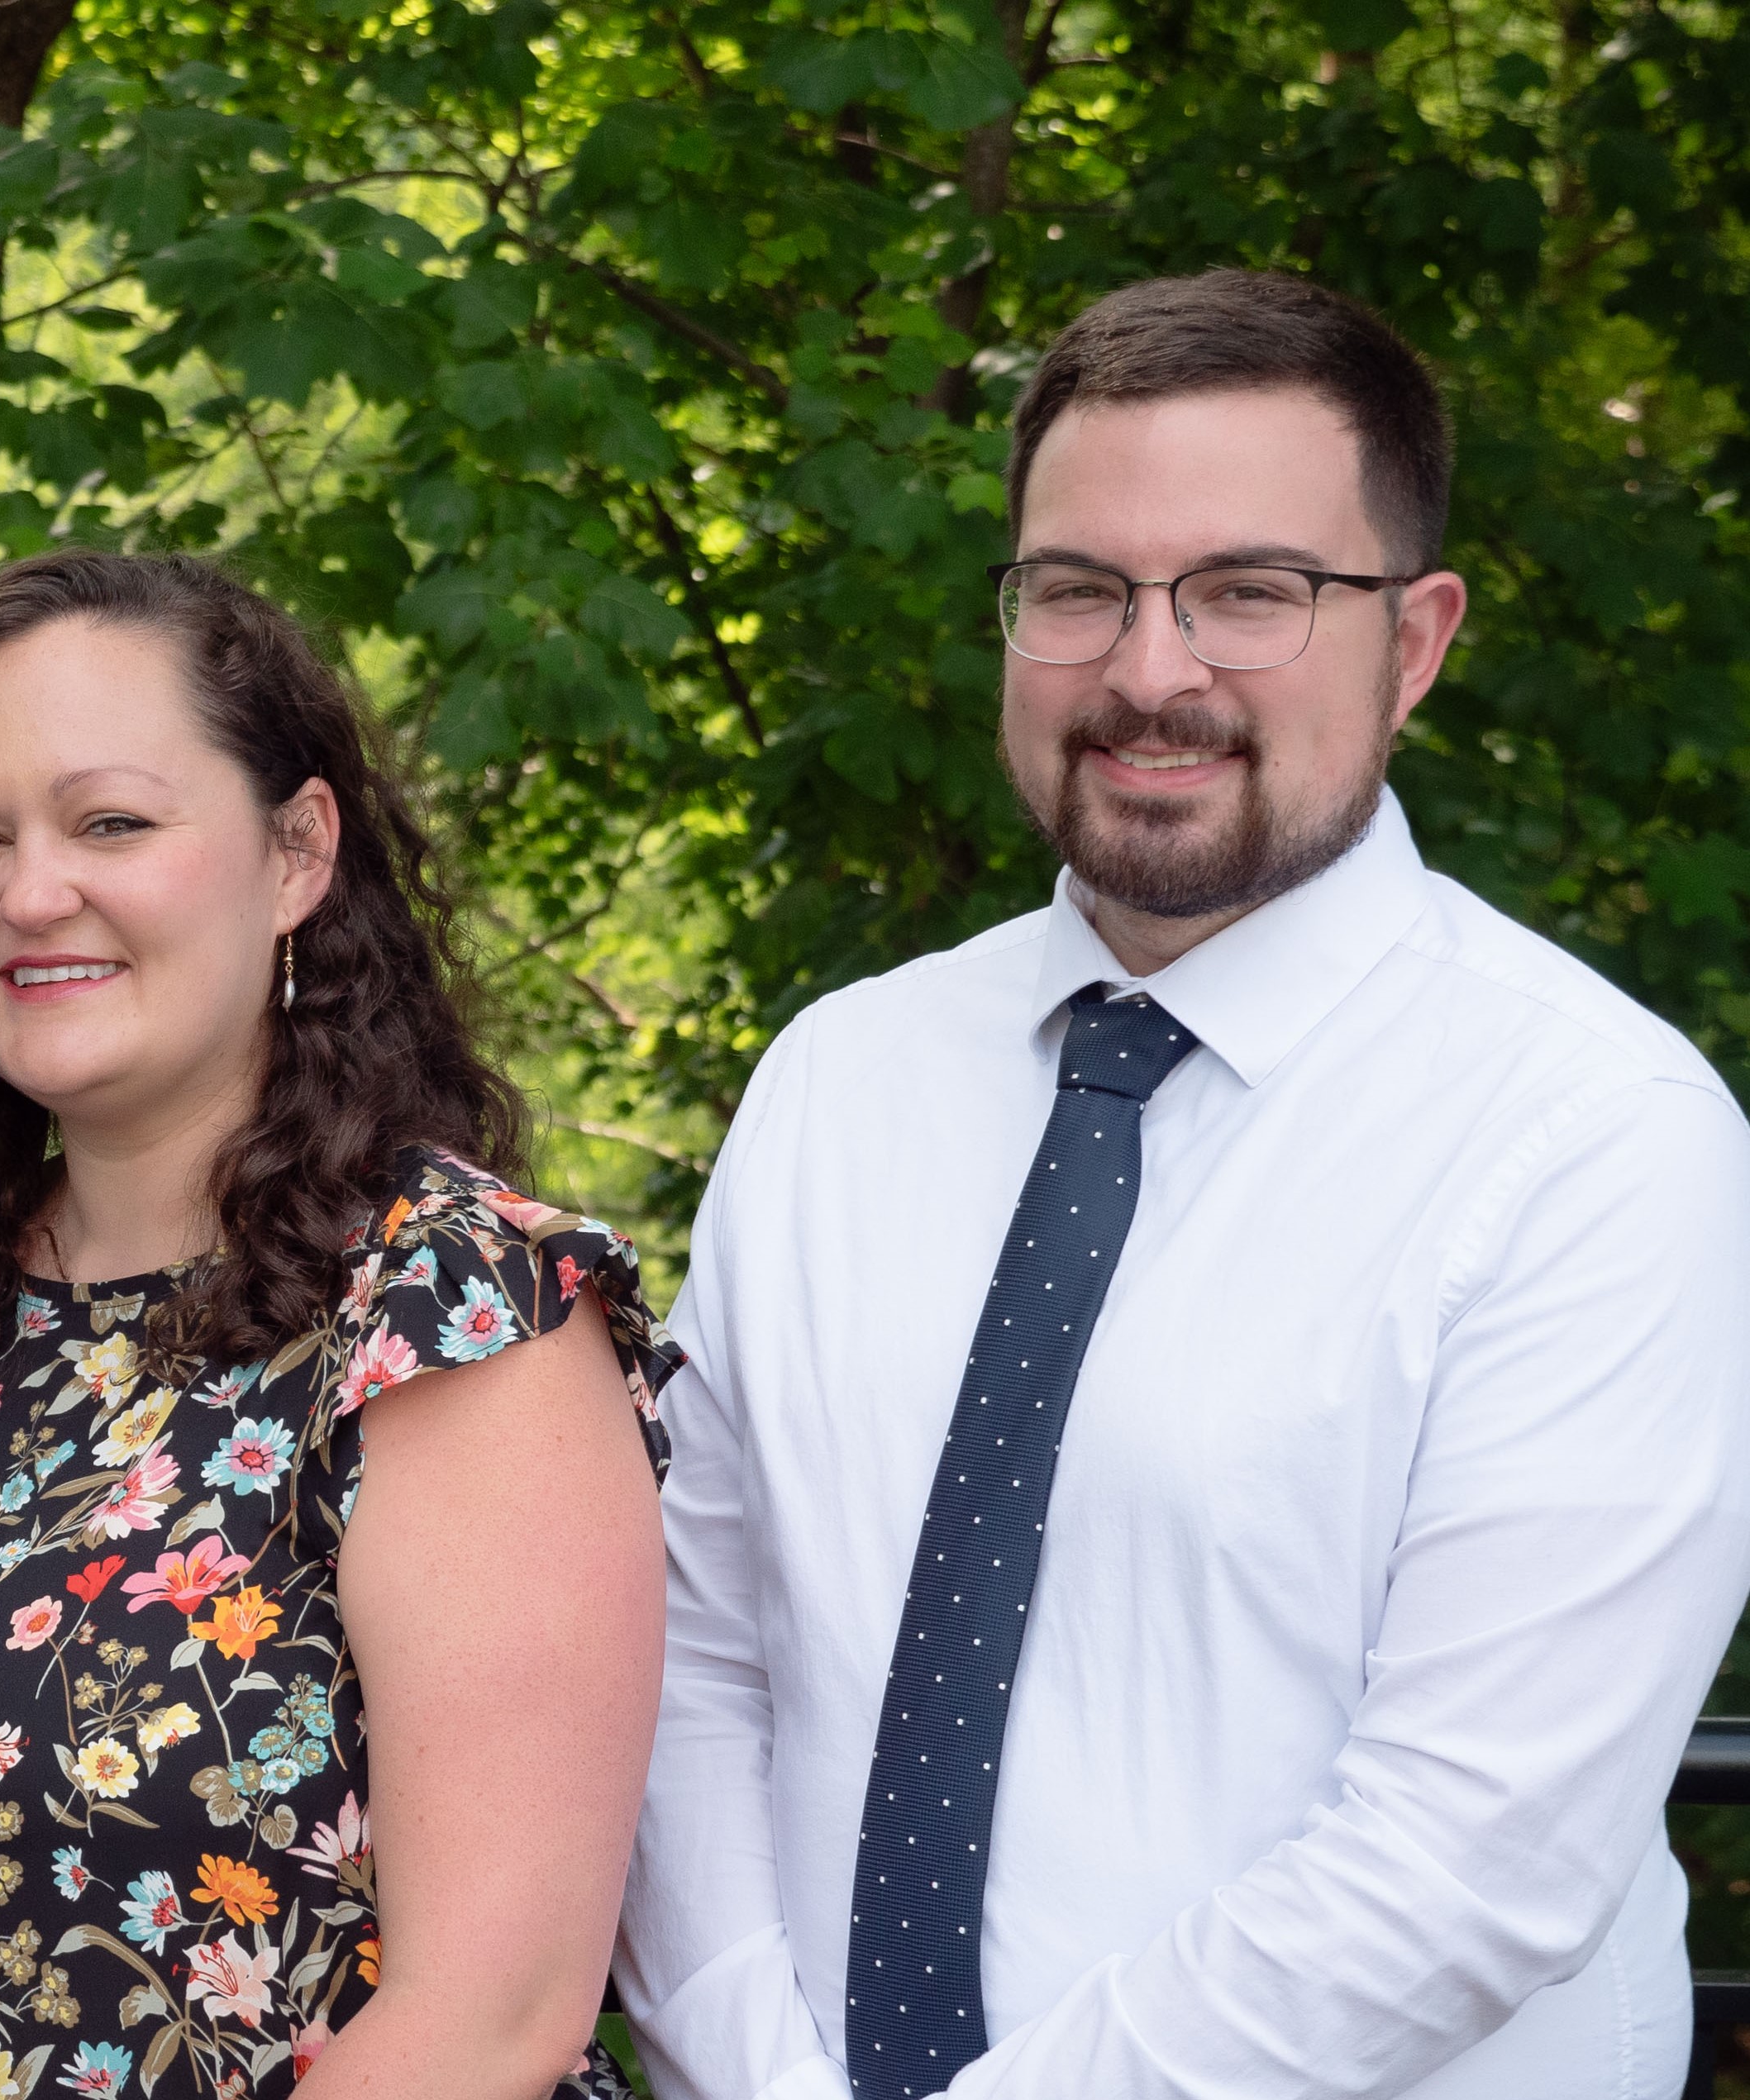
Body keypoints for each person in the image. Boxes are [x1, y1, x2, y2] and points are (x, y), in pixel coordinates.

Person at [616, 269, 1750, 2098]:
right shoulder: (843, 1077)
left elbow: (1472, 1856)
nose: (1152, 669)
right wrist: (752, 2069)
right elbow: (689, 1661)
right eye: (1078, 589)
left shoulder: (1599, 1133)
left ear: (1418, 638)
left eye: (1251, 592)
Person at [0, 550, 677, 2099]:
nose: (33, 892)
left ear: (297, 852)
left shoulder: (452, 1310)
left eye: (112, 821)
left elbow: (492, 2018)